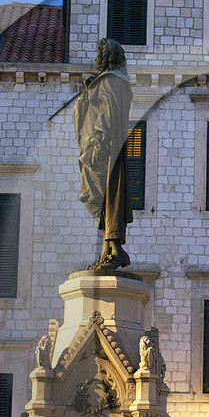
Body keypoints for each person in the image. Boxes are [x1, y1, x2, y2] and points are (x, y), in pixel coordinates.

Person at [74, 37, 134, 271]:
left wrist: (98, 143)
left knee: (111, 199)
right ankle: (107, 250)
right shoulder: (115, 82)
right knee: (108, 202)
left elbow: (106, 116)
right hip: (110, 149)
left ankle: (114, 250)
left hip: (106, 150)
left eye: (100, 54)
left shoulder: (111, 82)